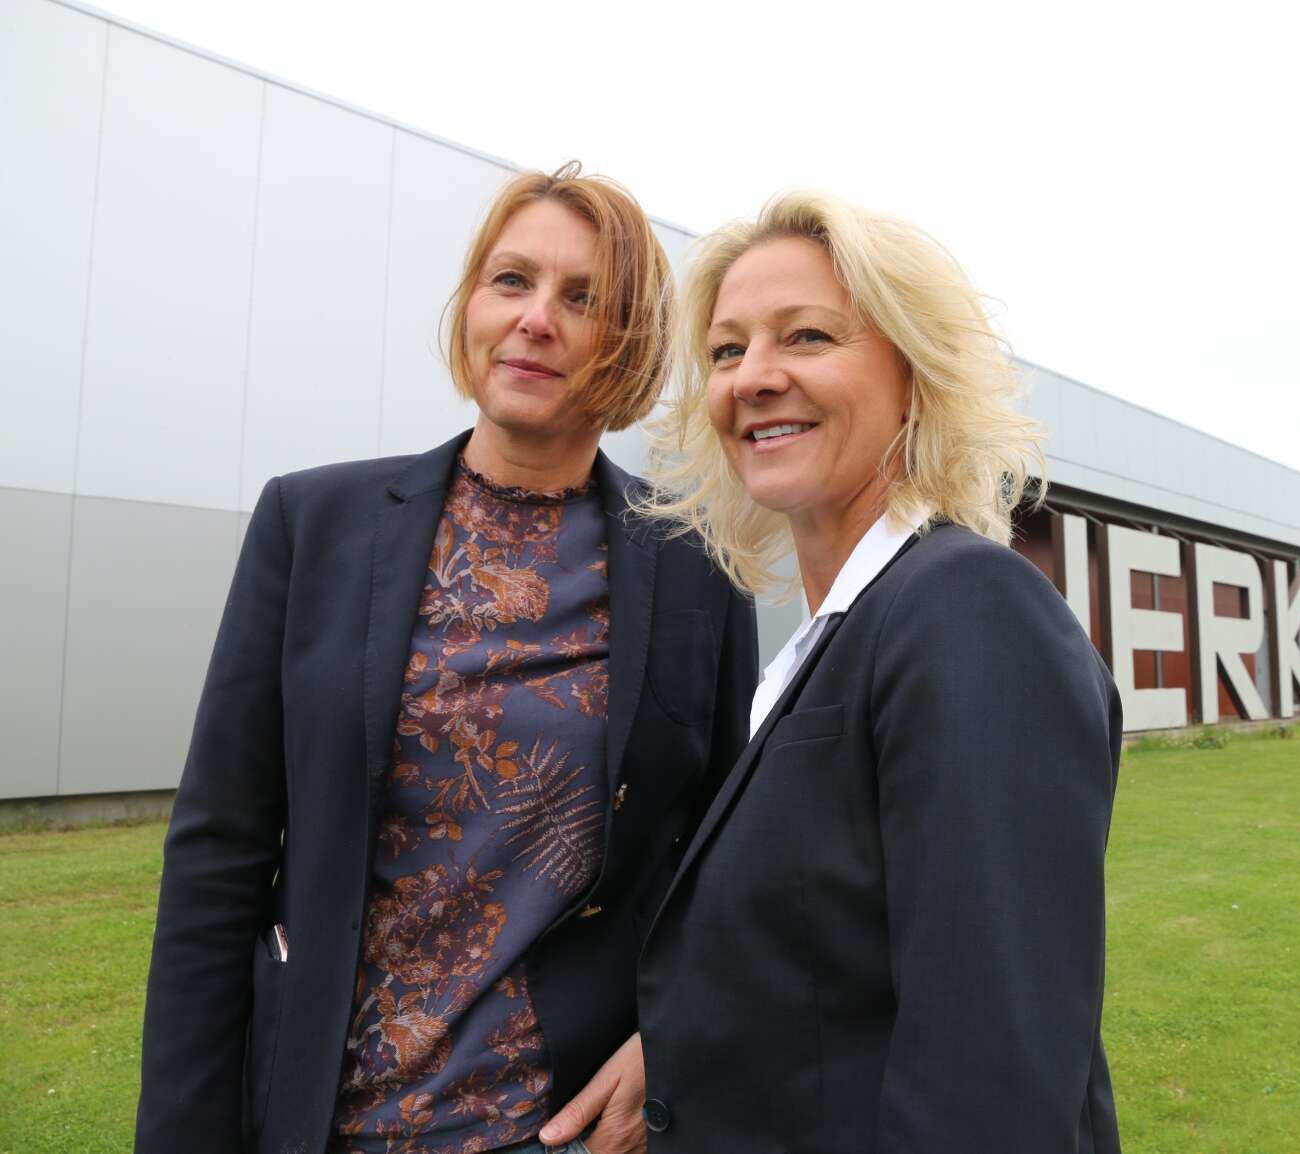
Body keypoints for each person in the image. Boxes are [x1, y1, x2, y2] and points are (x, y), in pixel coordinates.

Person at [135, 164, 756, 1154]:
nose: (535, 318)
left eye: (583, 298)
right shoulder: (312, 523)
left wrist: (668, 1041)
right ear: (470, 305)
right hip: (322, 1117)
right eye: (511, 280)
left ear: (631, 342)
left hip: (553, 1128)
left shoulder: (696, 566)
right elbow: (219, 853)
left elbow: (726, 862)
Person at [633, 193, 1122, 1152]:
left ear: (914, 377)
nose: (753, 377)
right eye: (726, 351)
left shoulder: (969, 612)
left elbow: (989, 1091)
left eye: (807, 336)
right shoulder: (833, 641)